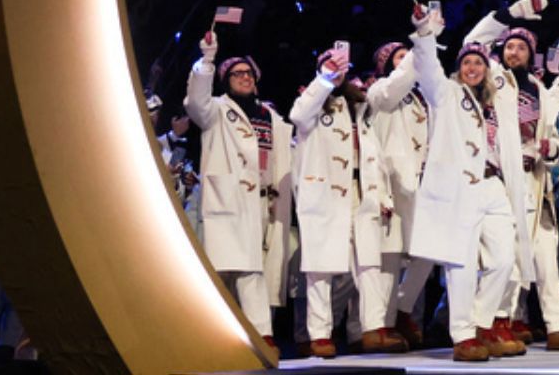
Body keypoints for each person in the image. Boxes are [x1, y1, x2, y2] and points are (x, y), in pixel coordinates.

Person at [406, 3, 535, 362]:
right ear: (459, 69)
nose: (473, 67)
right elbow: (429, 67)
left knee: (505, 260)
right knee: (461, 264)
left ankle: (481, 322)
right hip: (461, 189)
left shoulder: (498, 101)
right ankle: (463, 334)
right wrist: (425, 32)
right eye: (467, 62)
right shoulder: (446, 94)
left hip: (495, 187)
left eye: (479, 62)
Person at [462, 0, 559, 350]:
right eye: (509, 46)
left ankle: (557, 326)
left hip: (537, 182)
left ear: (531, 53)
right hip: (503, 181)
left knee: (546, 258)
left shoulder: (538, 88)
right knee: (508, 257)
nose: (514, 52)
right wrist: (507, 15)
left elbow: (555, 136)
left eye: (521, 47)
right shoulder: (494, 77)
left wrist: (554, 150)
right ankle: (499, 321)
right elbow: (474, 44)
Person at [287, 45, 401, 357]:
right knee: (320, 268)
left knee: (369, 263)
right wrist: (324, 78)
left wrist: (381, 194)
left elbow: (374, 155)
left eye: (340, 66)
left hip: (360, 191)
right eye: (328, 65)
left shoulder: (357, 107)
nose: (336, 71)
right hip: (324, 195)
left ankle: (374, 328)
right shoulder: (312, 106)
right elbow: (297, 114)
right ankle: (320, 334)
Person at [185, 32, 292, 346]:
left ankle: (258, 334)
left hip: (260, 203)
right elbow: (195, 102)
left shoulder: (270, 116)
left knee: (252, 268)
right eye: (237, 74)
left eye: (248, 73)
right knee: (224, 272)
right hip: (227, 200)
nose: (244, 78)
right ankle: (232, 334)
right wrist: (207, 59)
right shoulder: (216, 109)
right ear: (225, 80)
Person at [363, 31, 433, 347]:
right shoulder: (379, 91)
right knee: (389, 256)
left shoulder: (421, 97)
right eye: (399, 57)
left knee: (428, 251)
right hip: (389, 182)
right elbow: (397, 83)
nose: (407, 62)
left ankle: (402, 308)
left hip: (420, 183)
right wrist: (422, 43)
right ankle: (383, 324)